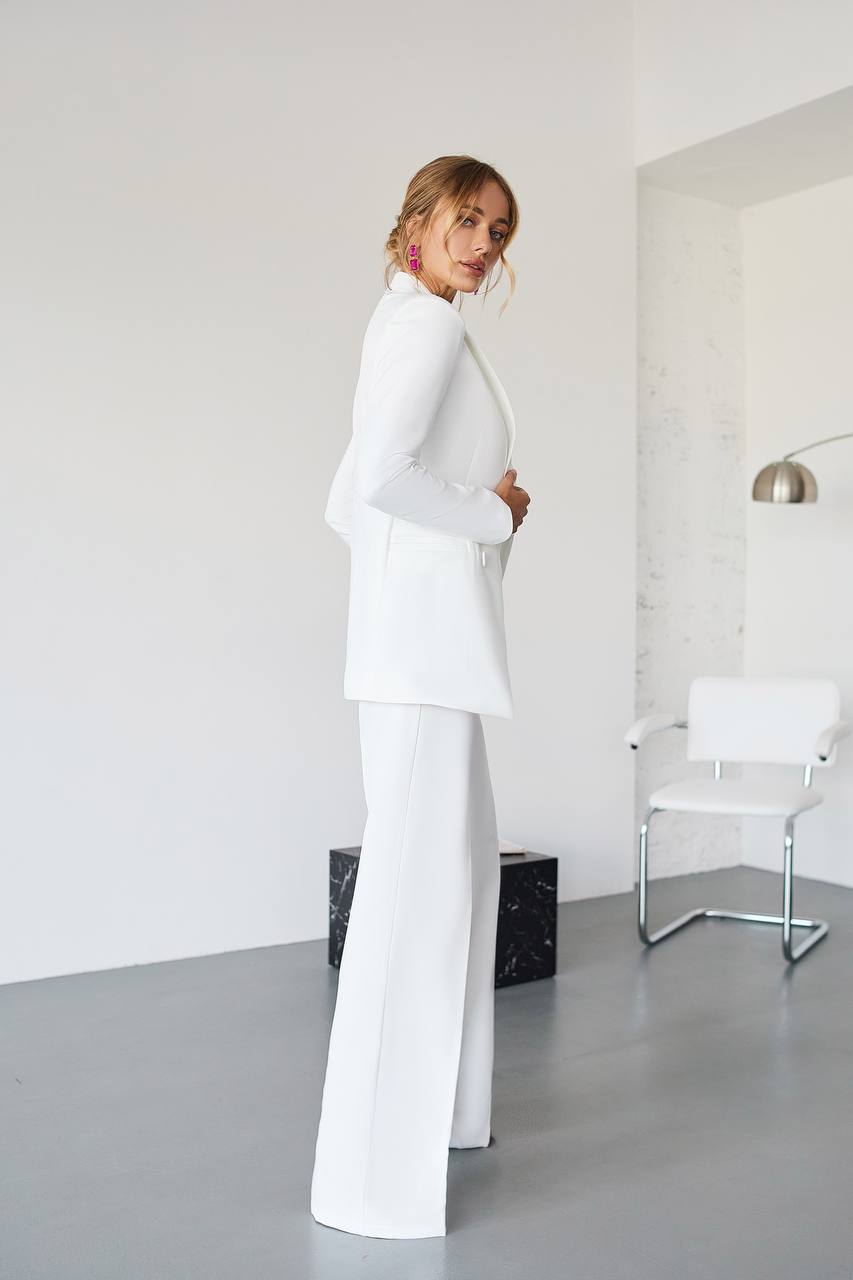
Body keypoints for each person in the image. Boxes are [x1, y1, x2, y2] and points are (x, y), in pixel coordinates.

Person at [311, 154, 531, 1239]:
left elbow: (348, 501)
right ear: (417, 219)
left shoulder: (406, 316)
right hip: (421, 661)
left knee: (450, 880)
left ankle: (442, 1120)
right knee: (418, 898)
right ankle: (370, 1184)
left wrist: (419, 575)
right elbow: (384, 478)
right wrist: (489, 514)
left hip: (414, 655)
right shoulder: (428, 328)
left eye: (498, 229)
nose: (485, 244)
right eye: (467, 219)